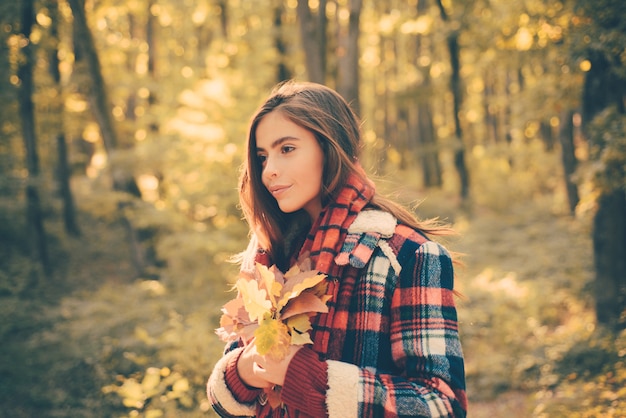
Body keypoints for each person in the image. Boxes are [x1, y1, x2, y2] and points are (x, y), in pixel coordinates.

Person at [207, 80, 467, 417]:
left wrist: (309, 378)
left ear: (330, 148)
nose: (269, 170)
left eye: (286, 149)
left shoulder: (407, 256)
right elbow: (225, 395)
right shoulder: (270, 256)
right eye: (262, 156)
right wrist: (242, 369)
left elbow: (443, 406)